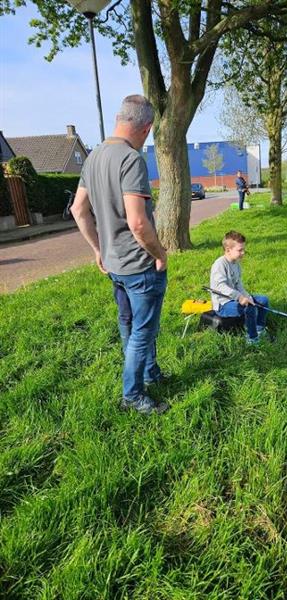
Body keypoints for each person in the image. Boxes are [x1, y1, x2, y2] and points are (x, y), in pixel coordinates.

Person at [71, 94, 168, 415]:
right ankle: (133, 396)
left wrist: (98, 249)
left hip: (114, 265)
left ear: (119, 119)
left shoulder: (93, 157)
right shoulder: (131, 159)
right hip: (139, 265)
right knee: (143, 331)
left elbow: (78, 209)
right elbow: (138, 223)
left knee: (128, 323)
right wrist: (160, 253)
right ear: (146, 128)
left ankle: (150, 373)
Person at [210, 231, 269, 345]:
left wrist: (247, 296)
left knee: (263, 300)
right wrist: (240, 297)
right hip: (222, 304)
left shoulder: (236, 264)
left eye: (243, 249)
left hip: (235, 299)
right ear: (228, 250)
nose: (243, 253)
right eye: (240, 250)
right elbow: (221, 287)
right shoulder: (219, 265)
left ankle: (259, 329)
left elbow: (239, 285)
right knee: (250, 308)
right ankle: (252, 338)